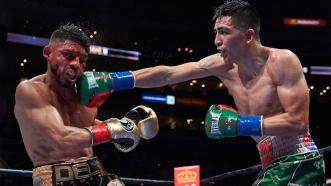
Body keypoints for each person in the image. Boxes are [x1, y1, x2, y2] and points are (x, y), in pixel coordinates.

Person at [131, 0, 326, 185]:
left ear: (249, 36)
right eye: (216, 32)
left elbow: (298, 122)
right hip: (273, 165)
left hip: (299, 160)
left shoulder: (282, 61)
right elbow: (168, 75)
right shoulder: (221, 65)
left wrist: (238, 125)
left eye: (224, 32)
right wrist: (116, 80)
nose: (217, 41)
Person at [14, 23, 159, 186]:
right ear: (48, 53)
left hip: (96, 172)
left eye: (82, 59)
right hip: (55, 178)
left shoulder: (84, 92)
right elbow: (60, 137)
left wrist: (129, 127)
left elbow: (83, 128)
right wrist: (111, 130)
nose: (76, 64)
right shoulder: (31, 90)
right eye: (68, 55)